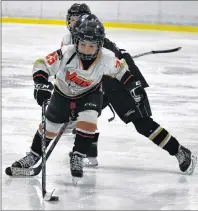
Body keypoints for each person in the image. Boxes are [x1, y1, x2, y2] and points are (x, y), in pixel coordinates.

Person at [5, 14, 142, 178]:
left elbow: (122, 72)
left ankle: (78, 156)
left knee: (89, 121)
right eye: (82, 44)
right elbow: (41, 64)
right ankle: (33, 155)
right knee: (50, 127)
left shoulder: (107, 58)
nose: (87, 49)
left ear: (100, 44)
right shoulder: (66, 53)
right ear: (76, 41)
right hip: (62, 94)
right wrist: (41, 84)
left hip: (90, 95)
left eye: (92, 46)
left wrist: (134, 86)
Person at [64, 12, 197, 175]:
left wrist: (134, 86)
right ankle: (89, 154)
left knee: (143, 125)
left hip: (121, 87)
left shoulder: (107, 49)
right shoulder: (77, 43)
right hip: (102, 85)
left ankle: (180, 151)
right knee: (87, 113)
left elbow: (122, 67)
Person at [62, 3, 149, 167]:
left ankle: (88, 153)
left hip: (111, 83)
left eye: (77, 19)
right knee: (84, 115)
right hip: (97, 82)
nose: (73, 23)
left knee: (88, 113)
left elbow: (112, 59)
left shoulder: (95, 36)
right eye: (71, 20)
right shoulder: (68, 40)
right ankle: (89, 154)